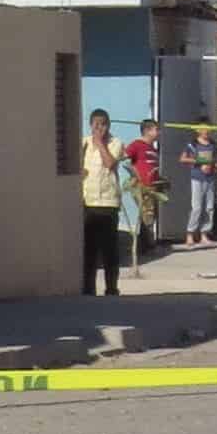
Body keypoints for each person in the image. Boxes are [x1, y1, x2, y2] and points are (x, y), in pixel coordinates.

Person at [79, 108, 126, 296]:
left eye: (104, 124)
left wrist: (100, 144)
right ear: (90, 125)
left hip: (108, 203)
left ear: (109, 125)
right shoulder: (83, 143)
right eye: (96, 124)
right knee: (89, 249)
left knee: (109, 250)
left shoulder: (115, 143)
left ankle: (111, 288)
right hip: (88, 203)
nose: (100, 128)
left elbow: (110, 164)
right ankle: (88, 288)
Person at [125, 118, 166, 264]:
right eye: (156, 129)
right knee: (147, 214)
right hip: (142, 186)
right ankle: (147, 246)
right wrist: (135, 178)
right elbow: (125, 158)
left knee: (148, 215)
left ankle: (144, 246)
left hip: (153, 186)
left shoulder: (152, 148)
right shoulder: (137, 145)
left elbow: (152, 167)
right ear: (147, 131)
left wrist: (160, 180)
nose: (158, 132)